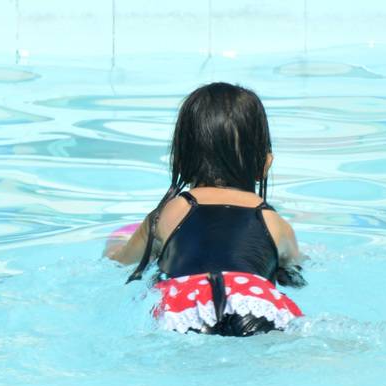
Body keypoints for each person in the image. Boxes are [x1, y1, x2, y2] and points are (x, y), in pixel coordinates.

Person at [106, 82, 304, 336]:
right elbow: (296, 270)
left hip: (188, 305)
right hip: (257, 303)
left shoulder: (168, 214)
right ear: (265, 164)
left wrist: (115, 242)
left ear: (180, 158)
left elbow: (121, 262)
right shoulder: (275, 224)